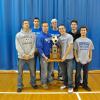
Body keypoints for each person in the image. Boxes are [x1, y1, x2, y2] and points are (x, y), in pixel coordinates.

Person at [15, 20, 38, 92]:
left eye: (27, 23)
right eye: (25, 23)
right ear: (22, 25)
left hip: (31, 57)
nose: (26, 24)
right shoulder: (18, 35)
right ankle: (19, 85)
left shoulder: (33, 34)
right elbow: (17, 46)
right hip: (21, 57)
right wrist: (24, 55)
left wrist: (30, 54)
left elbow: (34, 45)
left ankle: (33, 83)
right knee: (20, 72)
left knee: (33, 71)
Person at [74, 26, 94, 91]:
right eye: (82, 30)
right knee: (78, 74)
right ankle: (76, 86)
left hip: (86, 60)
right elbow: (75, 50)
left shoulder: (89, 41)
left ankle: (85, 85)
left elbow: (90, 50)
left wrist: (90, 58)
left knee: (85, 74)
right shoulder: (77, 40)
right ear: (80, 32)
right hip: (79, 60)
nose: (83, 31)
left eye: (84, 30)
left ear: (86, 31)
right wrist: (76, 58)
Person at [37, 22, 54, 89]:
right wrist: (44, 56)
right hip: (44, 56)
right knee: (44, 70)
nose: (45, 27)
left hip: (51, 56)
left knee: (50, 69)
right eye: (44, 26)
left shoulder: (50, 35)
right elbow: (39, 48)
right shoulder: (40, 36)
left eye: (47, 26)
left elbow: (53, 44)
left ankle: (49, 80)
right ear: (42, 27)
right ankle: (43, 83)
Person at [58, 25, 74, 93]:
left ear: (65, 29)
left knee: (69, 73)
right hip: (61, 59)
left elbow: (70, 46)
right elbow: (58, 48)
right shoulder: (59, 38)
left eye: (62, 28)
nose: (61, 30)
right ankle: (65, 84)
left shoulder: (69, 36)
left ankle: (70, 87)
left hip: (69, 58)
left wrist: (65, 56)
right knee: (63, 73)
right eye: (60, 29)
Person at [69, 19, 83, 86]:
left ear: (77, 26)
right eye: (72, 24)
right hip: (70, 54)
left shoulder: (80, 34)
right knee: (70, 69)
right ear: (70, 26)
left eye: (75, 24)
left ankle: (78, 81)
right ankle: (70, 82)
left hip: (78, 54)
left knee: (78, 68)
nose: (73, 26)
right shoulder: (68, 34)